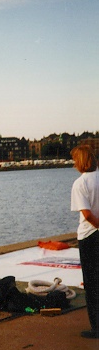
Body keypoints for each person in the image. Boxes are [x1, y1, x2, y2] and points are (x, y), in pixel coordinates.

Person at [70, 144, 99, 338]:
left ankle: (96, 327)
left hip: (90, 235)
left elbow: (87, 215)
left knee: (92, 282)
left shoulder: (80, 184)